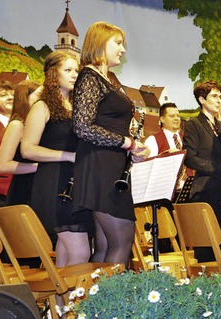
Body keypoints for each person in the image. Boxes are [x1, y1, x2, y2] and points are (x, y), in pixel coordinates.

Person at [72, 22, 150, 264]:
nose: (123, 49)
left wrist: (132, 148)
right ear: (99, 43)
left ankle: (94, 301)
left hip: (107, 166)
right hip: (101, 168)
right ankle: (112, 302)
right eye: (117, 42)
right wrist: (126, 142)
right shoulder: (89, 76)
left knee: (106, 246)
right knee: (121, 242)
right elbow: (82, 127)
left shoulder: (101, 79)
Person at [21, 51, 84, 267]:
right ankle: (73, 302)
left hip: (72, 184)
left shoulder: (77, 108)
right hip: (53, 183)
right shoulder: (42, 106)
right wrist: (67, 156)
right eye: (68, 70)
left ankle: (60, 302)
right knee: (80, 252)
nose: (74, 74)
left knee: (65, 253)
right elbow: (28, 149)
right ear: (52, 74)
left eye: (76, 70)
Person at [183, 80, 221, 262]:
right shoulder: (193, 124)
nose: (219, 100)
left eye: (220, 96)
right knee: (207, 249)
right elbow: (190, 158)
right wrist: (219, 169)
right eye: (214, 96)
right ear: (202, 99)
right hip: (206, 192)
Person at [0, 81, 41, 206]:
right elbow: (3, 165)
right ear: (24, 99)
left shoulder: (38, 125)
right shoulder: (17, 125)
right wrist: (41, 167)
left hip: (39, 186)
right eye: (40, 95)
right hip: (24, 190)